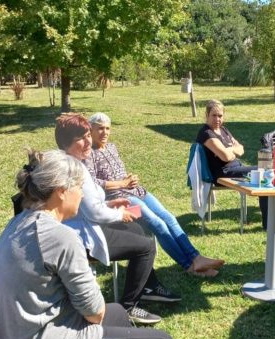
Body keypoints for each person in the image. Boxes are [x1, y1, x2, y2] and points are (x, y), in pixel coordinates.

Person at [0, 149, 232, 339]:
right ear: (60, 192)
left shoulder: (18, 222)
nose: (82, 194)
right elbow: (94, 313)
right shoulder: (61, 237)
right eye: (79, 187)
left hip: (12, 337)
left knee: (119, 312)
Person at [56, 113, 178, 325]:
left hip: (86, 225)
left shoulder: (73, 162)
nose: (88, 141)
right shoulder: (75, 168)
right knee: (147, 247)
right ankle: (129, 307)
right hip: (82, 236)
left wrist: (110, 204)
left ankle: (148, 286)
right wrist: (119, 213)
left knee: (137, 231)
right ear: (67, 143)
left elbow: (89, 205)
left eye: (87, 136)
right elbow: (93, 213)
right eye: (81, 138)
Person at [85, 112, 225, 278]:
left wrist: (130, 178)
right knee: (157, 224)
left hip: (136, 191)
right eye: (100, 128)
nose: (105, 132)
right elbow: (92, 183)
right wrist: (122, 184)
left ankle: (196, 257)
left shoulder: (111, 147)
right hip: (119, 199)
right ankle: (189, 266)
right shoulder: (89, 154)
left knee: (169, 218)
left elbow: (117, 172)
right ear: (91, 130)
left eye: (107, 128)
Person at [195, 99, 275, 229]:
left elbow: (241, 148)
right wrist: (232, 150)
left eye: (220, 116)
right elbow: (225, 157)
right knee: (264, 172)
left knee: (264, 174)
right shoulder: (206, 133)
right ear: (207, 116)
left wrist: (231, 150)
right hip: (222, 174)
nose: (217, 119)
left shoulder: (223, 130)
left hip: (236, 167)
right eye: (213, 115)